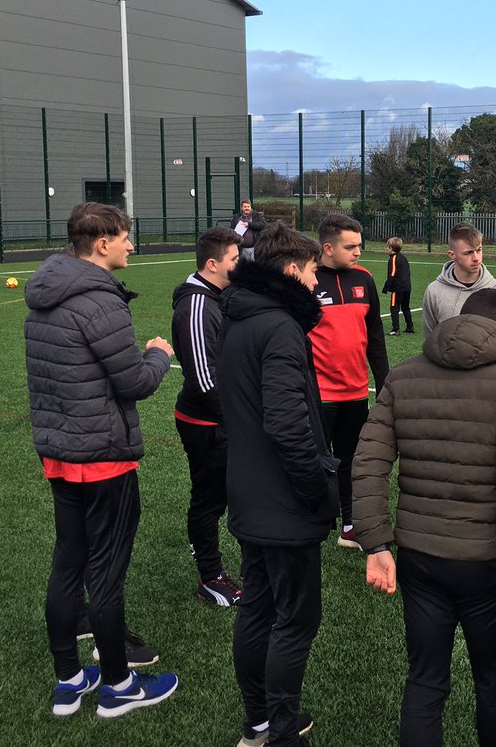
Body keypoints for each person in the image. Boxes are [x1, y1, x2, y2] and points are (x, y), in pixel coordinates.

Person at [353, 288, 496, 747]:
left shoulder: (402, 375)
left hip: (423, 557)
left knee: (425, 678)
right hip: (492, 561)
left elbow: (367, 464)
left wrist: (376, 544)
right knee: (494, 680)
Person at [24, 202, 178, 718]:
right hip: (102, 460)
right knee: (106, 577)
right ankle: (119, 686)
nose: (132, 246)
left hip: (61, 455)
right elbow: (134, 381)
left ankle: (69, 679)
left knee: (68, 564)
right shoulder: (98, 300)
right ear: (102, 243)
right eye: (126, 237)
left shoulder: (46, 293)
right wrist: (159, 352)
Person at [217, 221, 338, 747]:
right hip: (281, 501)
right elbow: (288, 426)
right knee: (294, 620)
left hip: (247, 491)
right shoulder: (279, 327)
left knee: (259, 609)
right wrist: (316, 490)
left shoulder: (240, 317)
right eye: (313, 272)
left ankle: (259, 722)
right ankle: (282, 732)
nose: (316, 283)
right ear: (292, 271)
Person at [171, 227, 244, 606]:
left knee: (236, 494)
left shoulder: (218, 296)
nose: (240, 264)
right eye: (234, 259)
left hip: (224, 421)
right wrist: (240, 421)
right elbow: (204, 379)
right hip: (206, 424)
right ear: (213, 264)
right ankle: (210, 577)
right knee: (209, 500)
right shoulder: (197, 306)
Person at [309, 213, 389, 549]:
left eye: (359, 244)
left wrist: (384, 385)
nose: (358, 251)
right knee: (313, 461)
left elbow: (375, 337)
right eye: (350, 246)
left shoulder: (365, 279)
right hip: (318, 395)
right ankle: (310, 526)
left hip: (355, 393)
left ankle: (350, 526)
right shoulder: (307, 280)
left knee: (351, 460)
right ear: (327, 248)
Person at [421, 223, 496, 335]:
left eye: (479, 250)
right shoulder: (434, 292)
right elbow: (431, 339)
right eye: (468, 253)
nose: (476, 258)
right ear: (452, 255)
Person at [383, 236, 414, 335]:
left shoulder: (393, 259)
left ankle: (395, 329)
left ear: (391, 248)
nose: (386, 249)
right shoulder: (403, 258)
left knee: (394, 307)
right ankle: (410, 326)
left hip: (398, 288)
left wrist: (386, 287)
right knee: (405, 307)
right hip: (407, 287)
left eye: (387, 247)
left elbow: (392, 273)